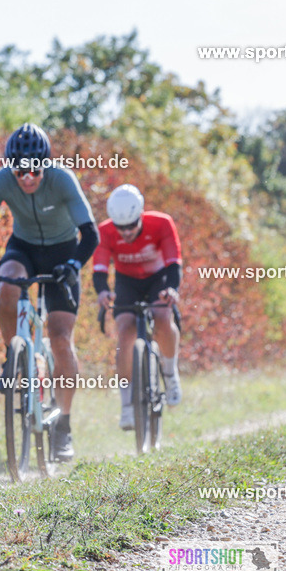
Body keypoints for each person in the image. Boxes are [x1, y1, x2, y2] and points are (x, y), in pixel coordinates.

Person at [0, 124, 98, 462]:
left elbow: (91, 234)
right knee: (8, 284)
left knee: (60, 337)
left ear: (46, 165)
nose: (27, 178)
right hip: (23, 248)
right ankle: (14, 356)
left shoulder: (62, 179)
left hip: (63, 252)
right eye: (19, 171)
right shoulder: (1, 181)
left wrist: (74, 265)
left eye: (34, 171)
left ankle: (63, 424)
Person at [92, 184, 182, 430]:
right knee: (125, 331)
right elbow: (99, 269)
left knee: (162, 316)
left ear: (141, 215)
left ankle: (170, 374)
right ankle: (127, 405)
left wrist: (172, 288)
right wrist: (103, 292)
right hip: (127, 282)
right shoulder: (105, 231)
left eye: (131, 225)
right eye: (120, 227)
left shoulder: (161, 223)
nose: (126, 232)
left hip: (158, 279)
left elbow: (174, 262)